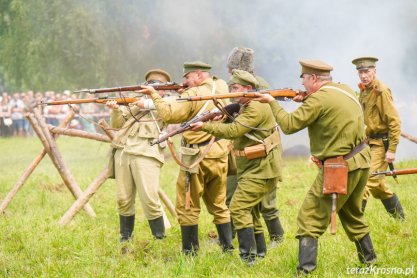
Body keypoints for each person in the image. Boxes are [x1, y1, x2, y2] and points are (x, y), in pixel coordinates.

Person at [254, 60, 377, 275]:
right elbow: (332, 112)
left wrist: (272, 102)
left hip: (340, 166)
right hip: (361, 160)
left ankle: (305, 271)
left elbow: (290, 125)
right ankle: (371, 262)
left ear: (312, 78)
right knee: (351, 214)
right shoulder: (344, 89)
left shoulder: (318, 99)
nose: (302, 82)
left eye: (304, 78)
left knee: (308, 218)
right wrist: (307, 99)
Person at [138, 61, 234, 255]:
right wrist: (184, 92)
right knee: (219, 203)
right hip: (219, 152)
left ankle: (190, 252)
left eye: (188, 77)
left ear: (199, 75)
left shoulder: (192, 94)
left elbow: (169, 114)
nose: (186, 81)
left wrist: (154, 95)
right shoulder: (222, 85)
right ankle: (228, 248)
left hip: (195, 157)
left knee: (187, 205)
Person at [190, 69, 283, 264]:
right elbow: (234, 125)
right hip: (252, 166)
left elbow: (235, 130)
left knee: (238, 208)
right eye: (231, 87)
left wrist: (205, 126)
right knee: (250, 210)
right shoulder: (245, 105)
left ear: (249, 89)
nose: (232, 91)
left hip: (261, 168)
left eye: (236, 88)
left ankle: (247, 257)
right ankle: (259, 252)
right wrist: (219, 117)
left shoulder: (255, 107)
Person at [106, 69, 171, 248]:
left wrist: (147, 102)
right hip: (124, 151)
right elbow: (117, 124)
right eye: (150, 84)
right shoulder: (136, 102)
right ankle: (126, 237)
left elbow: (168, 114)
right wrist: (115, 109)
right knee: (123, 198)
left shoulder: (166, 103)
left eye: (158, 85)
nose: (153, 87)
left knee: (150, 198)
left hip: (146, 152)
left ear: (165, 89)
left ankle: (159, 238)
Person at [226, 46, 285, 246]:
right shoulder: (238, 88)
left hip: (262, 148)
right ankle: (240, 238)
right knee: (236, 196)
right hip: (245, 148)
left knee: (267, 201)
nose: (231, 76)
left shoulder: (258, 86)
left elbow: (257, 112)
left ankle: (275, 237)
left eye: (233, 70)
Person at [351, 57, 404, 220]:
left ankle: (355, 223)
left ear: (374, 71)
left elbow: (394, 121)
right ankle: (400, 219)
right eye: (360, 72)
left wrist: (392, 149)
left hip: (382, 143)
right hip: (370, 142)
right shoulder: (364, 90)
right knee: (378, 185)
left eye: (367, 71)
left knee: (367, 181)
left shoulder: (381, 91)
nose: (363, 75)